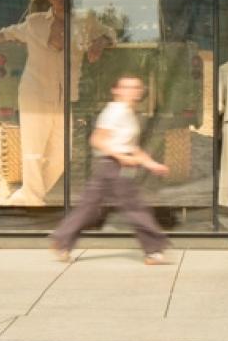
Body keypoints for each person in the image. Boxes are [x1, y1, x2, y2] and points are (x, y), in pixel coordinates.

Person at [0, 0, 110, 205]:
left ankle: (30, 195)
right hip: (34, 92)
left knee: (63, 155)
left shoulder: (85, 20)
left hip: (64, 95)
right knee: (33, 152)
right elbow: (6, 33)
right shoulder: (34, 22)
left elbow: (108, 31)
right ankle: (34, 199)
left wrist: (100, 43)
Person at [49, 75, 171, 265]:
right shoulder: (114, 112)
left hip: (110, 166)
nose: (134, 91)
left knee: (89, 207)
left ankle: (62, 241)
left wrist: (151, 164)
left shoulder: (128, 113)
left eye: (137, 87)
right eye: (128, 87)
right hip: (113, 167)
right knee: (135, 207)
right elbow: (97, 140)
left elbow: (132, 147)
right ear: (116, 90)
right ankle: (153, 250)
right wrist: (120, 157)